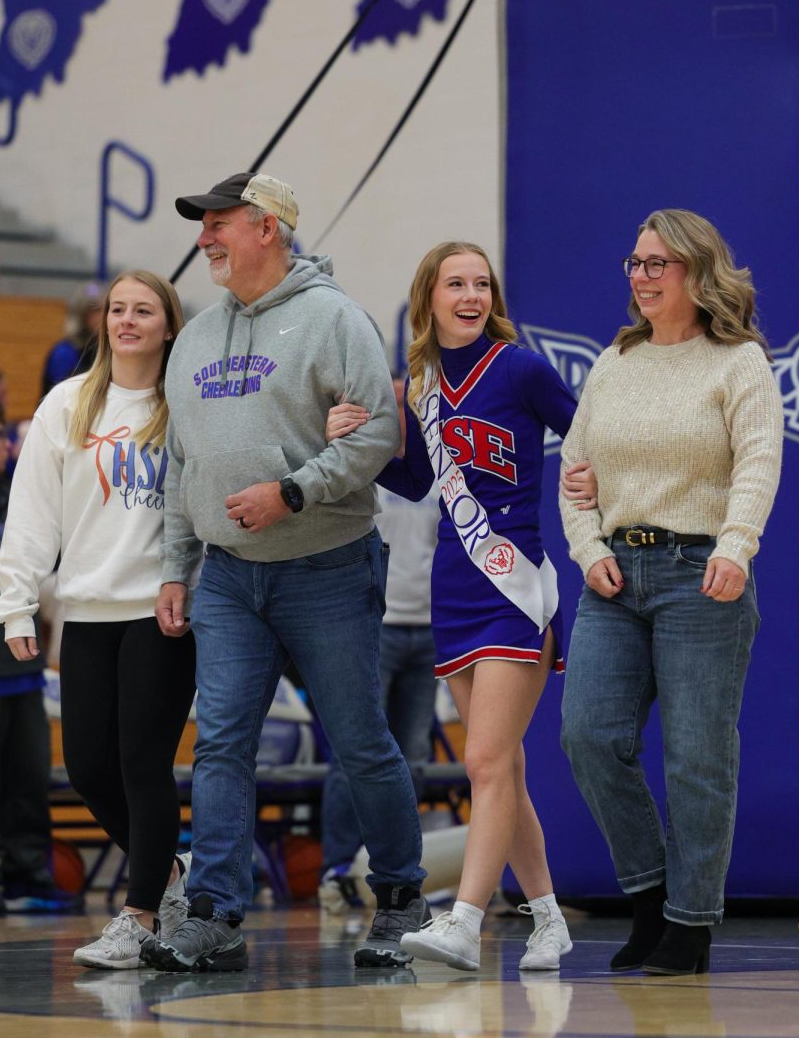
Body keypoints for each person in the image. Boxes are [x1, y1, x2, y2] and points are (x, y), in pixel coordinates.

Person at [140, 171, 428, 974]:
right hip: (229, 577)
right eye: (203, 225)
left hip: (327, 568)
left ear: (268, 228)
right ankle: (214, 913)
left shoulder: (336, 318)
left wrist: (293, 491)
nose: (205, 238)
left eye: (219, 224)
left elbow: (376, 436)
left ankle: (401, 899)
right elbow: (180, 464)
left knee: (360, 743)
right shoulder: (195, 336)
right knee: (222, 743)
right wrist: (176, 566)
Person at [328, 241, 597, 974]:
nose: (471, 294)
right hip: (453, 586)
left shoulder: (520, 367)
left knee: (482, 760)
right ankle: (546, 921)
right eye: (456, 283)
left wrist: (589, 482)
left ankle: (466, 921)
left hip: (513, 582)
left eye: (481, 283)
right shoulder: (418, 382)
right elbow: (417, 483)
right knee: (500, 767)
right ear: (430, 298)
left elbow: (590, 431)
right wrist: (366, 437)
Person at [558, 208, 783, 975]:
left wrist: (735, 547)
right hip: (613, 578)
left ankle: (688, 926)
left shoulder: (737, 362)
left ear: (696, 271)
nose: (641, 276)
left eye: (658, 263)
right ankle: (651, 895)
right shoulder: (614, 362)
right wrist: (586, 548)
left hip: (701, 577)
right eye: (634, 262)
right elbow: (574, 473)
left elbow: (756, 463)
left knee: (695, 759)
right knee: (587, 737)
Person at [0, 270, 197, 969]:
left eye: (144, 310)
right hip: (84, 608)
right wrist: (16, 600)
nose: (128, 320)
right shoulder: (68, 403)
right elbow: (31, 513)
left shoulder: (186, 405)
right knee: (85, 766)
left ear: (169, 324)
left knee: (143, 763)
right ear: (101, 320)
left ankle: (140, 915)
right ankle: (169, 875)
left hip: (159, 609)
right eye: (117, 309)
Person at [319, 377, 441, 912]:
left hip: (430, 629)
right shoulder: (359, 464)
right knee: (355, 752)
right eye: (388, 401)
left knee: (412, 755)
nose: (399, 409)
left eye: (406, 402)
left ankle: (392, 870)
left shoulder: (439, 465)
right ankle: (336, 868)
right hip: (375, 625)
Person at [0, 398, 81, 918]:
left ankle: (27, 873)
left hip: (21, 667)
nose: (7, 445)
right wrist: (10, 577)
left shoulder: (10, 492)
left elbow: (46, 552)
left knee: (27, 780)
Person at [41, 281, 104, 397]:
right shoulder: (65, 352)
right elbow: (61, 395)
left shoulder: (105, 349)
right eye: (95, 311)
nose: (101, 317)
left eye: (104, 310)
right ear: (82, 315)